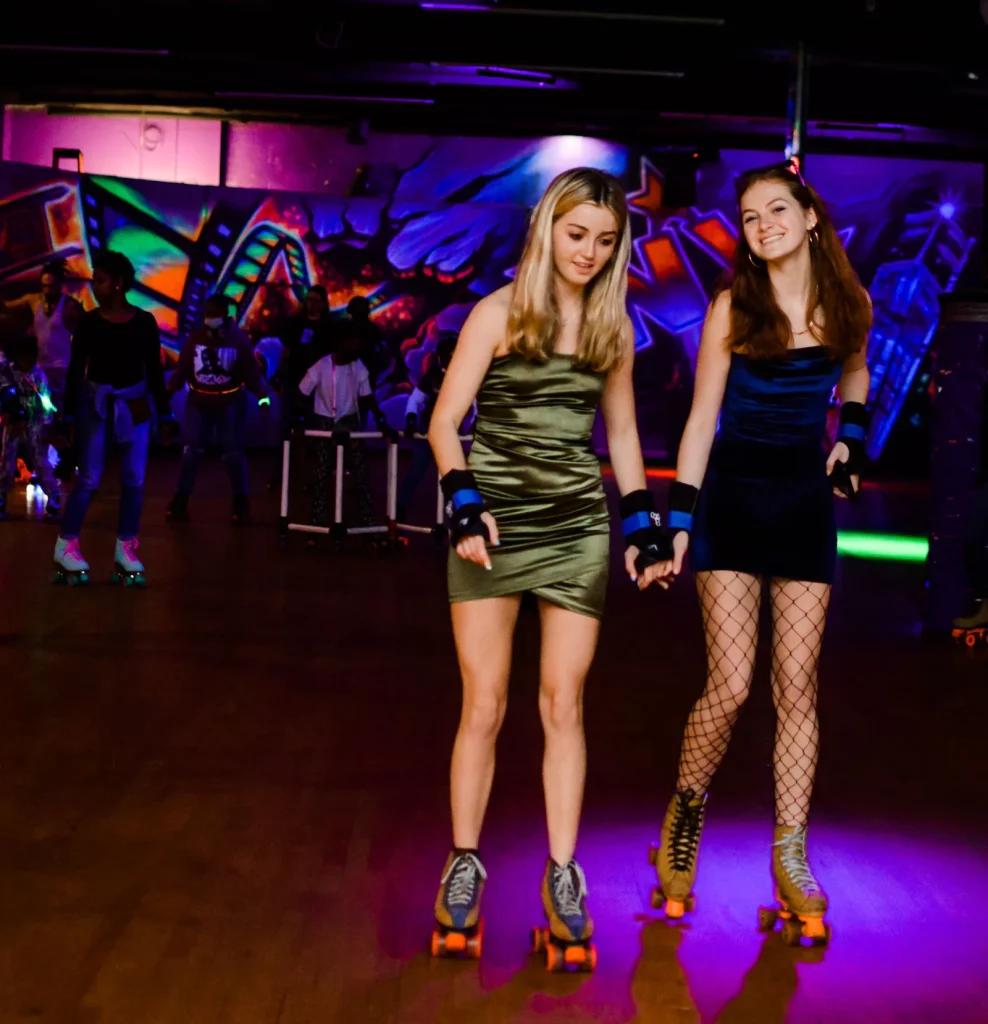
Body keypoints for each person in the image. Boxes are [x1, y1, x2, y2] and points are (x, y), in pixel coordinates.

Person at [426, 167, 668, 965]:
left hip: (575, 527)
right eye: (576, 235)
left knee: (563, 705)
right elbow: (444, 422)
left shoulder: (613, 327)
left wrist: (643, 528)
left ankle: (564, 875)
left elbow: (624, 437)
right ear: (546, 229)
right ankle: (465, 863)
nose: (589, 253)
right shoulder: (496, 313)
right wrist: (462, 502)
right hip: (490, 524)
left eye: (604, 241)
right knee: (485, 705)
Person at [648, 161, 872, 944]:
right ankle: (686, 811)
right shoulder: (729, 308)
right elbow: (702, 417)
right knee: (733, 685)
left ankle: (790, 852)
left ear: (810, 217)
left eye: (778, 209)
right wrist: (680, 519)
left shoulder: (849, 302)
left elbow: (855, 372)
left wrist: (851, 440)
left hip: (804, 509)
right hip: (732, 506)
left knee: (797, 691)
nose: (764, 224)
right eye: (750, 216)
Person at [53, 251, 176, 586]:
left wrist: (165, 414)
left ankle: (126, 548)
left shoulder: (145, 322)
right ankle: (66, 545)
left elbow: (153, 370)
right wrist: (66, 418)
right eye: (95, 279)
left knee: (134, 480)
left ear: (118, 283)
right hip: (96, 404)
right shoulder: (90, 323)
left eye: (101, 280)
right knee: (90, 478)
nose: (95, 286)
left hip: (134, 405)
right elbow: (76, 370)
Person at [165, 294, 272, 525]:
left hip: (230, 403)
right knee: (192, 453)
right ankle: (180, 501)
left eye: (215, 313)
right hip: (198, 403)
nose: (210, 318)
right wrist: (169, 391)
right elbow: (183, 368)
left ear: (225, 315)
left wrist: (263, 398)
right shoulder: (196, 338)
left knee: (233, 453)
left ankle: (240, 502)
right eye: (208, 313)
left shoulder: (238, 340)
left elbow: (251, 373)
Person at [299, 321, 395, 533]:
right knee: (321, 474)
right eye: (355, 341)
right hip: (324, 422)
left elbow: (367, 395)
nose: (359, 346)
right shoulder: (321, 366)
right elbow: (303, 393)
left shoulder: (358, 366)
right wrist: (300, 423)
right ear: (342, 343)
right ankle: (317, 522)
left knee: (361, 472)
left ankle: (368, 523)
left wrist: (380, 419)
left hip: (350, 422)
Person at [396, 333, 464, 524]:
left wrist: (475, 421)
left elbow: (475, 403)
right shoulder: (432, 376)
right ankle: (399, 508)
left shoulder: (463, 378)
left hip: (451, 434)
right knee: (416, 472)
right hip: (428, 433)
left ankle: (456, 517)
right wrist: (410, 419)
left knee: (453, 478)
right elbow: (415, 400)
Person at [0, 337, 60, 521]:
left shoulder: (38, 375)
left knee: (40, 461)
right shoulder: (7, 374)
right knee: (6, 462)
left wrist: (47, 426)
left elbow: (47, 402)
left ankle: (54, 499)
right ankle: (1, 499)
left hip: (36, 423)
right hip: (12, 425)